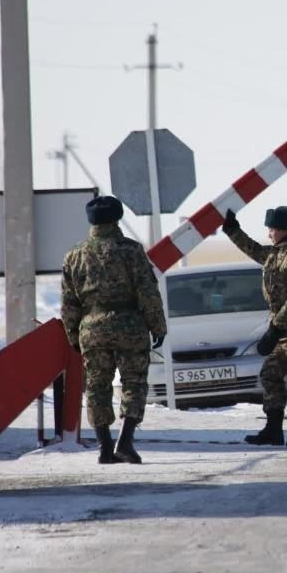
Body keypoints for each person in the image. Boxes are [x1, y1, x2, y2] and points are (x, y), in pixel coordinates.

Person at [61, 196, 167, 465]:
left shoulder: (74, 255)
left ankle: (104, 446)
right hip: (129, 325)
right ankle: (126, 441)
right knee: (134, 383)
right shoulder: (131, 250)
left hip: (92, 329)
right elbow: (147, 292)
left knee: (97, 386)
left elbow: (69, 302)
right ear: (117, 218)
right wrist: (158, 325)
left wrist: (72, 334)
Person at [222, 205, 287, 448]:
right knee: (270, 375)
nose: (269, 233)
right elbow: (256, 251)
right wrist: (233, 231)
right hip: (283, 331)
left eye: (271, 228)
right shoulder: (279, 252)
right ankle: (273, 429)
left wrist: (276, 329)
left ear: (283, 230)